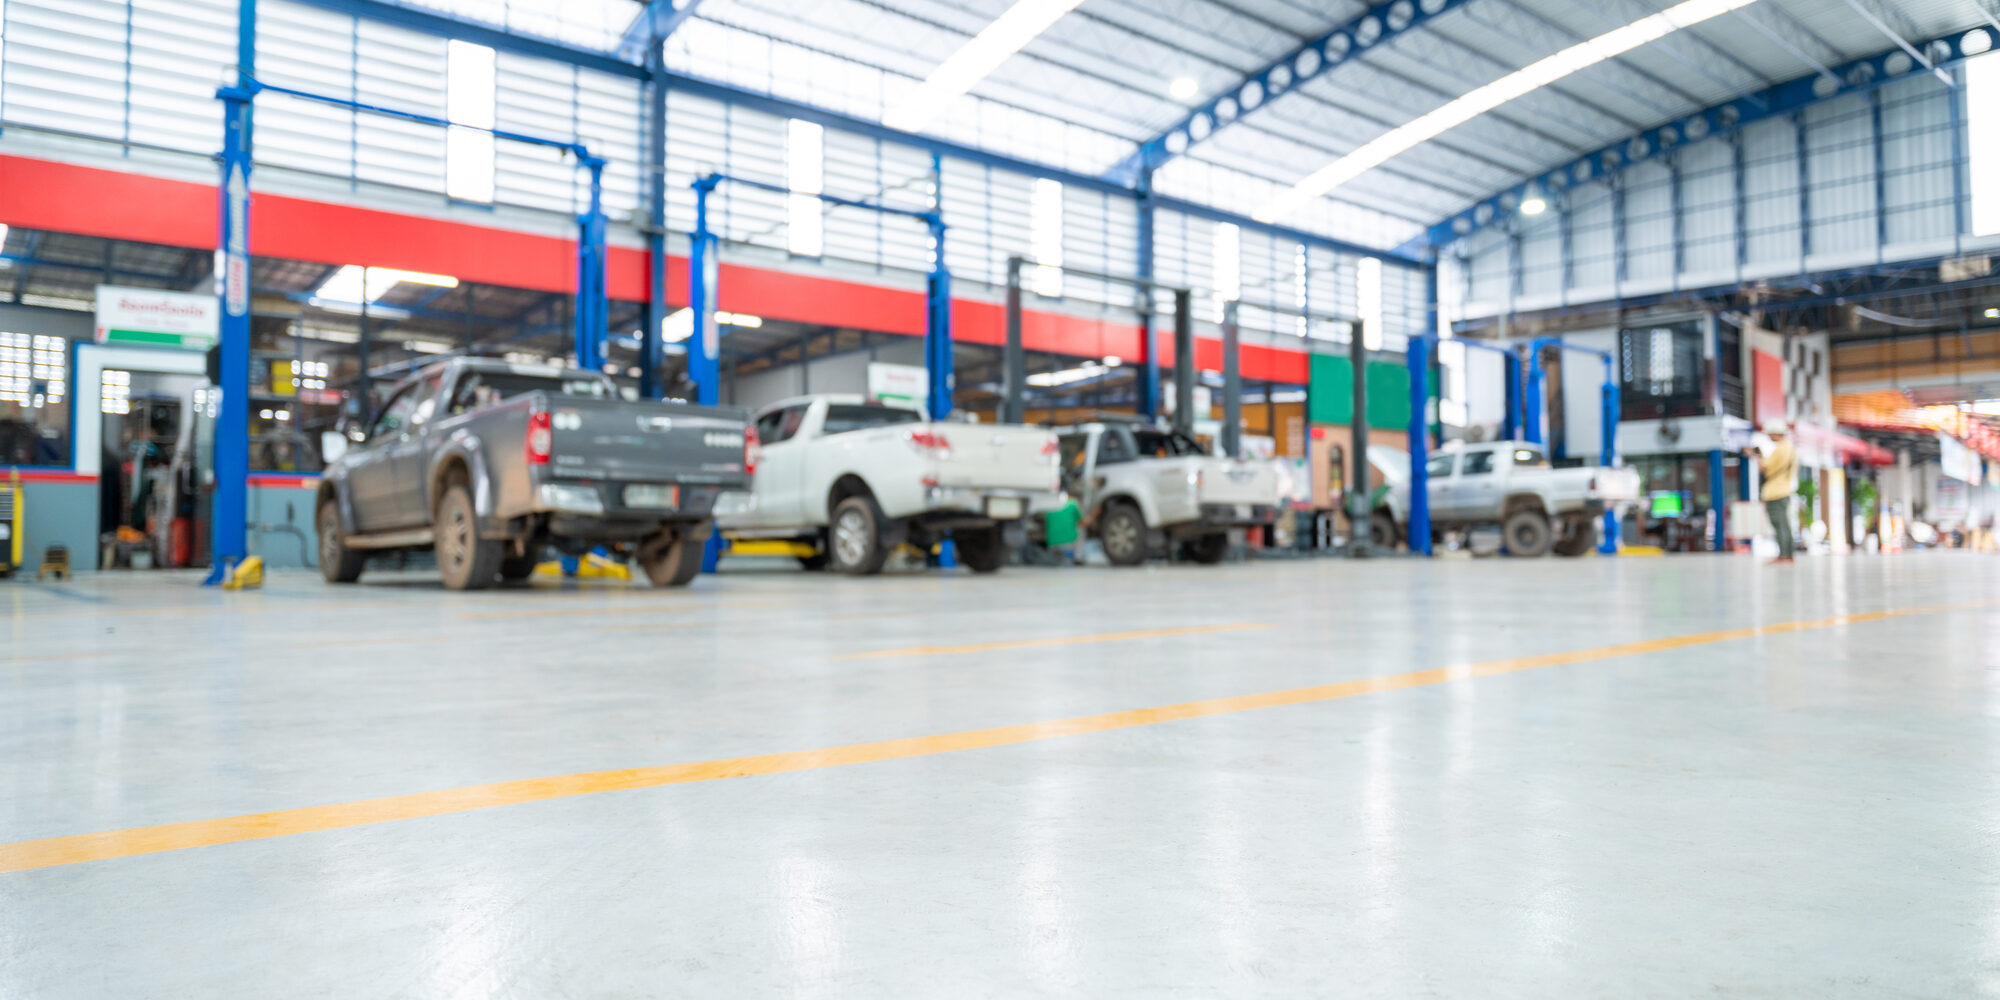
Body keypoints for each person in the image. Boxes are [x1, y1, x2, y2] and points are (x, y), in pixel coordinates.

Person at [1747, 419, 1797, 564]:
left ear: (1776, 433)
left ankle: (1784, 555)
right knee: (1784, 523)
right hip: (1784, 490)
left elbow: (1766, 468)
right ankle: (1787, 554)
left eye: (1770, 434)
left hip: (1776, 491)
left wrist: (1755, 456)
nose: (1769, 436)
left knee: (1779, 523)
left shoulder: (1781, 448)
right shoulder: (1790, 448)